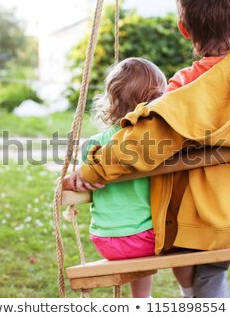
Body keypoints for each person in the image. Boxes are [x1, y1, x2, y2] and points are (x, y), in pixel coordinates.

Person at [69, 0, 230, 298]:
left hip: (209, 225)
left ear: (183, 29)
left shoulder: (183, 88)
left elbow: (145, 143)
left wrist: (92, 166)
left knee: (208, 274)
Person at [73, 57, 195, 298]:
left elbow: (82, 176)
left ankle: (142, 300)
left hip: (105, 240)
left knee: (140, 231)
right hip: (144, 239)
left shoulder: (95, 144)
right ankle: (189, 293)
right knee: (182, 237)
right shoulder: (152, 143)